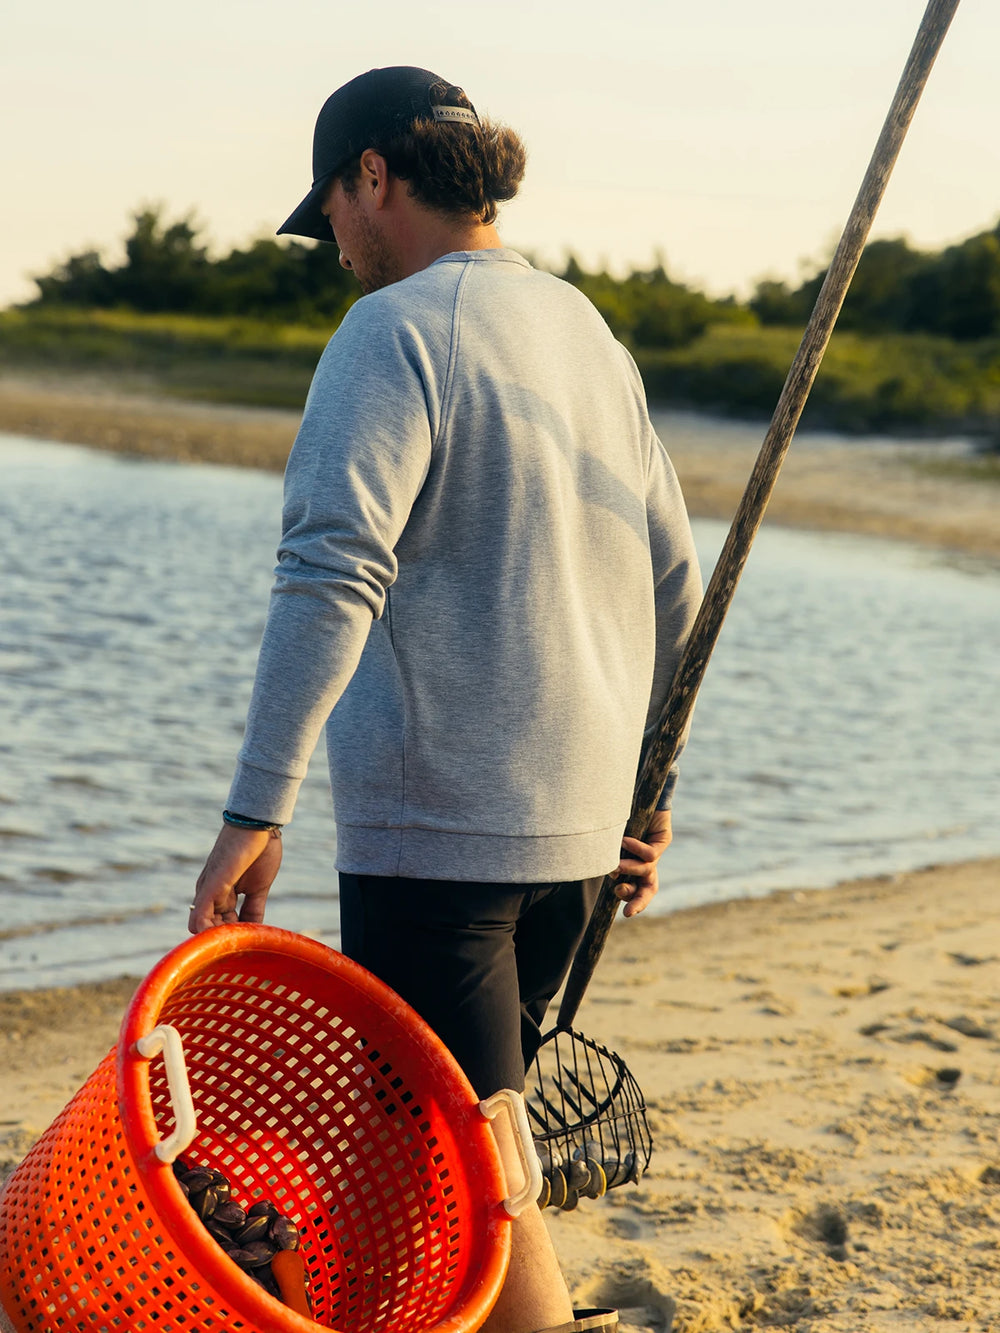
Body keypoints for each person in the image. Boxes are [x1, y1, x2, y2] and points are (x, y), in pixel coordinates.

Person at [188, 66, 702, 1333]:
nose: (337, 252)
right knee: (435, 1150)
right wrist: (651, 786)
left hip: (443, 843)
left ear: (375, 175)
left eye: (333, 215)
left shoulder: (395, 329)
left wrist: (258, 806)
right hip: (575, 847)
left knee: (485, 1174)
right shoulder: (587, 331)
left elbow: (330, 571)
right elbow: (677, 581)